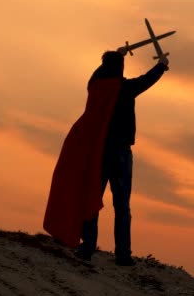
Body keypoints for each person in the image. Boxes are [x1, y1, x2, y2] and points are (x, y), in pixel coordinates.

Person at [43, 48, 169, 267]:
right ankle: (123, 255)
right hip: (119, 153)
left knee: (92, 197)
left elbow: (95, 75)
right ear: (119, 67)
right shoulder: (124, 88)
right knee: (122, 205)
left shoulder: (95, 87)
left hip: (97, 153)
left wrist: (115, 56)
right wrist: (162, 65)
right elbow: (146, 80)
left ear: (103, 67)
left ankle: (87, 248)